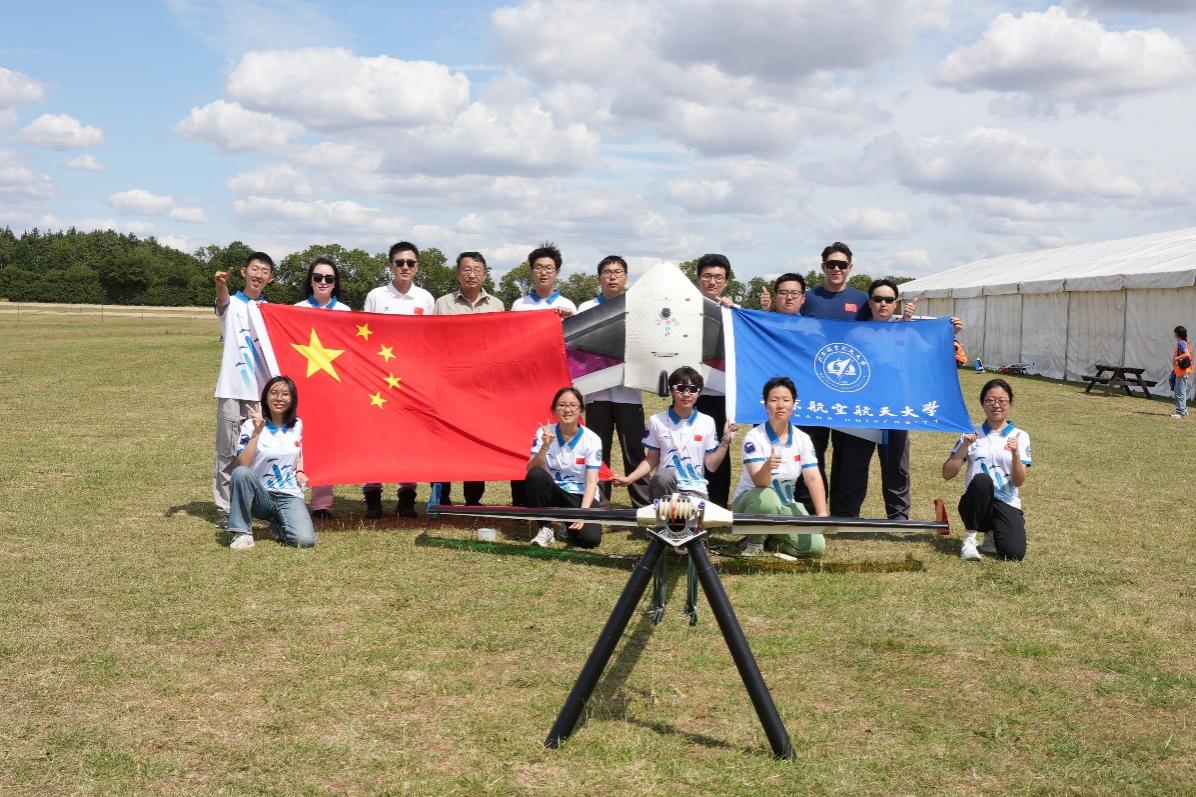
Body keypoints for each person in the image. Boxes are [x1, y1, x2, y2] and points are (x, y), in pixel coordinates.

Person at [361, 241, 435, 518]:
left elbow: (432, 339)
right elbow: (364, 335)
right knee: (375, 435)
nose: (405, 267)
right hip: (379, 377)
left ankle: (407, 494)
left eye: (410, 263)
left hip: (412, 378)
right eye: (399, 262)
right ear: (390, 265)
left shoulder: (425, 299)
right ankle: (373, 493)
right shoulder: (376, 296)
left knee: (409, 436)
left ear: (417, 267)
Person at [798, 242, 871, 514]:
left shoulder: (862, 300)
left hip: (849, 389)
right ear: (823, 267)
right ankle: (811, 511)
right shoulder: (809, 298)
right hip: (813, 388)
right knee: (812, 452)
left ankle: (845, 515)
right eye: (831, 264)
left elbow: (881, 331)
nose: (836, 269)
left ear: (850, 267)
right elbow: (787, 324)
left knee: (849, 457)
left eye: (842, 264)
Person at [831, 278, 913, 520]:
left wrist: (950, 332)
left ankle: (899, 517)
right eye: (878, 299)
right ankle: (847, 516)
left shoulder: (908, 332)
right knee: (854, 466)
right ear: (870, 303)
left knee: (896, 465)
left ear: (896, 303)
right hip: (862, 409)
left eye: (888, 299)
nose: (883, 304)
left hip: (895, 410)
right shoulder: (855, 333)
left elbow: (928, 356)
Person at [575, 255, 650, 508]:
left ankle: (642, 504)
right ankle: (599, 501)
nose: (612, 277)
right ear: (599, 278)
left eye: (618, 272)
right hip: (596, 392)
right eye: (607, 272)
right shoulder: (586, 309)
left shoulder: (637, 307)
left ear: (626, 277)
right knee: (598, 450)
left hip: (629, 392)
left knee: (634, 450)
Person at [433, 251, 505, 505]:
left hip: (481, 388)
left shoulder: (496, 305)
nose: (471, 274)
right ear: (458, 274)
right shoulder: (443, 304)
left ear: (485, 275)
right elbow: (432, 342)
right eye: (466, 269)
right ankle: (441, 498)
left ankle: (473, 500)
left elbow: (503, 345)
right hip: (448, 385)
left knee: (476, 442)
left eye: (477, 270)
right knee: (444, 443)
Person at [732, 377, 829, 559]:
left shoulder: (802, 439)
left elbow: (813, 478)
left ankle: (772, 539)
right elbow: (759, 482)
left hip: (785, 504)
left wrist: (822, 515)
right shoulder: (754, 437)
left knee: (815, 548)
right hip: (750, 504)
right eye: (774, 400)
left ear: (794, 404)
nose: (780, 405)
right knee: (767, 497)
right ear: (765, 405)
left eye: (786, 400)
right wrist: (767, 467)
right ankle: (755, 542)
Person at [613, 366, 736, 503]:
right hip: (665, 487)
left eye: (692, 389)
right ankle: (662, 513)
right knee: (664, 475)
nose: (686, 394)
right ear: (672, 391)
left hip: (696, 489)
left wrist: (725, 441)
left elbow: (711, 466)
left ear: (699, 393)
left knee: (687, 514)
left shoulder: (707, 422)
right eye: (681, 388)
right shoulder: (657, 420)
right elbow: (651, 459)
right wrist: (629, 479)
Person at [212, 251, 275, 521]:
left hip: (260, 394)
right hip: (231, 390)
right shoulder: (231, 304)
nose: (258, 275)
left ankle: (253, 504)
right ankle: (225, 508)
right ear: (244, 272)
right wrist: (220, 284)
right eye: (255, 269)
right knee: (226, 452)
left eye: (264, 271)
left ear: (270, 278)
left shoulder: (270, 311)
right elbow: (222, 301)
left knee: (256, 451)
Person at [943, 378, 1031, 561]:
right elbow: (947, 473)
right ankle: (969, 539)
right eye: (990, 400)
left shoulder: (1020, 436)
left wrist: (1016, 454)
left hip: (1006, 501)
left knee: (1014, 554)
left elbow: (1019, 481)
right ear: (982, 403)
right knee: (982, 480)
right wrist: (964, 447)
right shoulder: (971, 433)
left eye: (1002, 401)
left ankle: (991, 534)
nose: (996, 405)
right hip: (975, 502)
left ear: (1010, 403)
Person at [227, 375, 317, 550]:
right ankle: (242, 532)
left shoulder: (297, 425)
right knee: (240, 473)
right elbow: (243, 464)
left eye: (285, 394)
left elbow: (297, 450)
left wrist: (299, 470)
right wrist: (257, 433)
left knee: (305, 541)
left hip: (289, 494)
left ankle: (279, 524)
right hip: (261, 495)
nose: (279, 398)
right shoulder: (250, 425)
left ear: (292, 399)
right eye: (273, 393)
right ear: (265, 398)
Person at [294, 255, 351, 519]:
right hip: (302, 385)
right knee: (297, 441)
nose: (323, 282)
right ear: (311, 281)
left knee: (325, 442)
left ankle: (322, 504)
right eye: (318, 277)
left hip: (332, 388)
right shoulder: (296, 310)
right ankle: (291, 498)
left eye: (329, 278)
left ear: (335, 282)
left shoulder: (345, 312)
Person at [525, 387, 604, 548]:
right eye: (562, 405)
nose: (567, 410)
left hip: (579, 495)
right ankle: (546, 527)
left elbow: (591, 482)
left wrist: (583, 514)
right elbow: (531, 468)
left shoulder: (592, 439)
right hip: (554, 491)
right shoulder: (544, 432)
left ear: (581, 410)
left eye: (573, 405)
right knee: (536, 475)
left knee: (589, 541)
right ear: (554, 410)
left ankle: (565, 525)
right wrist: (545, 446)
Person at [692, 254, 735, 506]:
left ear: (726, 281)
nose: (712, 282)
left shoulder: (733, 312)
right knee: (688, 446)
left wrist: (732, 312)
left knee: (720, 447)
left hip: (721, 393)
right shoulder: (685, 307)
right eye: (707, 276)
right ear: (698, 278)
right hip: (689, 392)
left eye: (718, 277)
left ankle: (718, 503)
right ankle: (688, 497)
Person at [510, 242, 577, 317]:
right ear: (531, 271)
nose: (543, 273)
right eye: (538, 268)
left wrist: (568, 317)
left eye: (549, 268)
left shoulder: (567, 306)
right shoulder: (519, 305)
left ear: (557, 272)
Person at [1171, 325, 1192, 419]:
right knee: (1181, 391)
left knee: (1179, 391)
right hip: (1182, 371)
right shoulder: (1185, 342)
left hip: (1182, 371)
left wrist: (1176, 358)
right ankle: (1184, 411)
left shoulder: (1181, 343)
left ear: (1177, 333)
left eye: (1175, 332)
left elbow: (1187, 354)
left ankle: (1180, 412)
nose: (1174, 334)